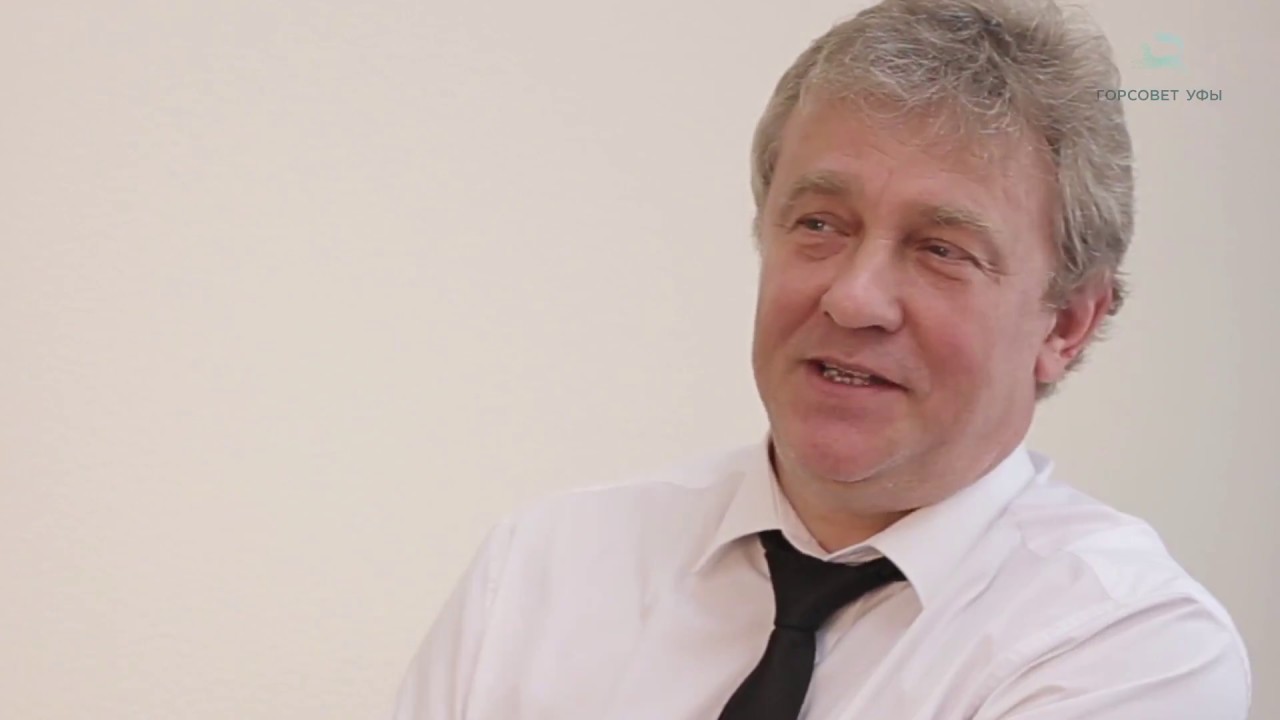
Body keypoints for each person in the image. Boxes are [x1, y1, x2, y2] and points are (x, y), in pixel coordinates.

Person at [392, 0, 1252, 717]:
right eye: (819, 225)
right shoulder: (542, 570)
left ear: (1067, 322)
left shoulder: (1128, 647)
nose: (853, 298)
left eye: (941, 248)